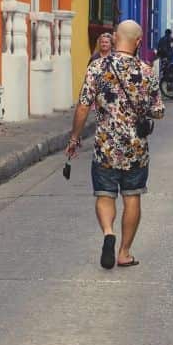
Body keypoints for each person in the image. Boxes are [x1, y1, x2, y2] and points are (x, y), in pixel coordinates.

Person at [67, 20, 165, 269]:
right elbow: (158, 110)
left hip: (105, 147)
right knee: (132, 197)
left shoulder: (97, 68)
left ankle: (108, 232)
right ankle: (124, 252)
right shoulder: (146, 72)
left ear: (114, 37)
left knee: (105, 195)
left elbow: (83, 106)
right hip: (136, 149)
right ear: (139, 42)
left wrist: (74, 138)